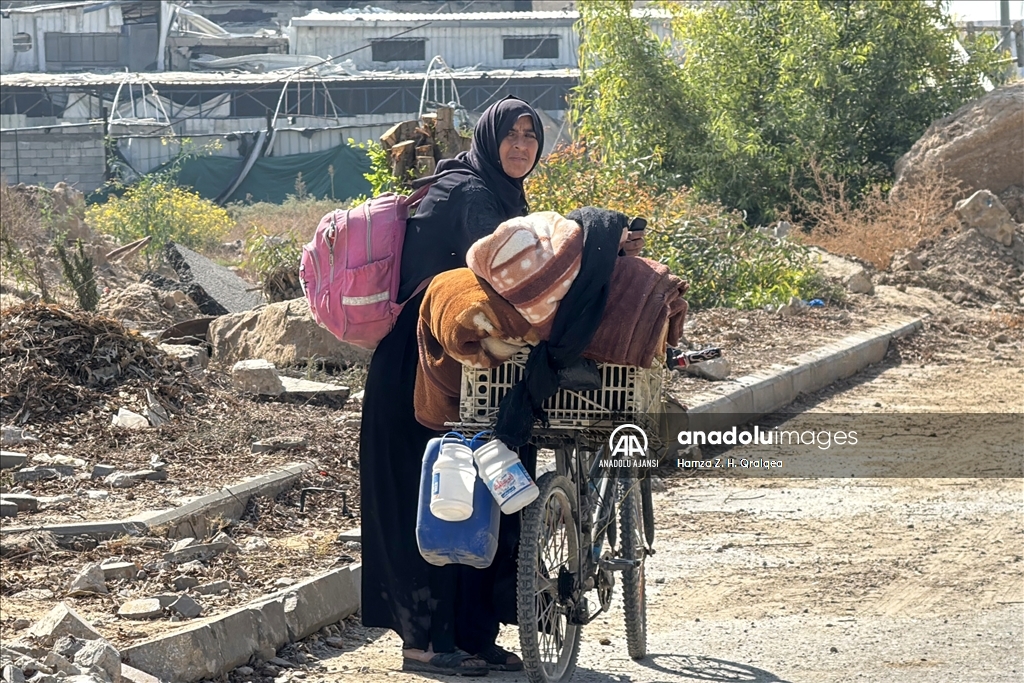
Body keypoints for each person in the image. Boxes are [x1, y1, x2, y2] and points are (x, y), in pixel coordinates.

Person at [359, 96, 545, 677]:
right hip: (416, 375)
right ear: (490, 139)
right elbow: (509, 277)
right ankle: (423, 642)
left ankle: (471, 635)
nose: (521, 146)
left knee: (477, 495)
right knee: (438, 498)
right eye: (511, 135)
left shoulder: (498, 194)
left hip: (460, 367)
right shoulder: (469, 195)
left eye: (530, 136)